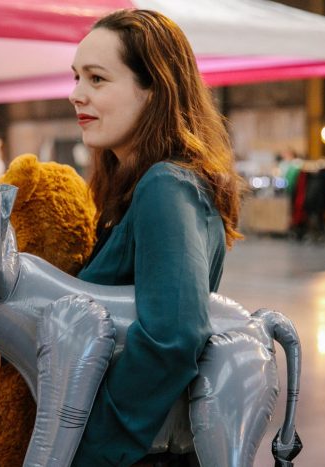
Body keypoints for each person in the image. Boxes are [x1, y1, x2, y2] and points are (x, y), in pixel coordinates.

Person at [68, 9, 242, 466]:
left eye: (97, 79)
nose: (76, 94)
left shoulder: (167, 184)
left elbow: (173, 336)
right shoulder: (132, 188)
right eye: (76, 77)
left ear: (153, 90)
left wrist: (89, 449)